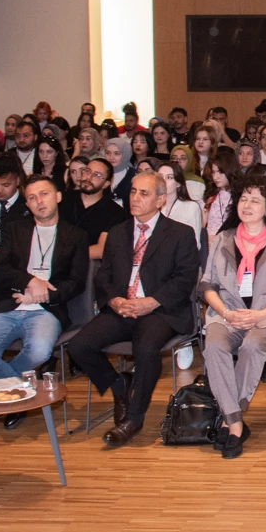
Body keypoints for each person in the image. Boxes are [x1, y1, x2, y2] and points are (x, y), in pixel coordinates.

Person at [67, 172, 200, 448]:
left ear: (161, 200)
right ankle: (118, 385)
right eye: (133, 192)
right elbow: (103, 276)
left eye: (144, 193)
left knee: (146, 348)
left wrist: (151, 301)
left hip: (159, 310)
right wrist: (114, 300)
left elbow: (185, 279)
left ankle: (134, 418)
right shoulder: (118, 232)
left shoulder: (180, 233)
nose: (135, 198)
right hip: (122, 308)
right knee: (79, 346)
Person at [0, 175, 90, 429]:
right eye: (32, 198)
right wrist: (28, 282)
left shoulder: (76, 236)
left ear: (57, 197)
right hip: (9, 305)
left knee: (38, 351)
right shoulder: (14, 230)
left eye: (44, 194)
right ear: (27, 204)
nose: (39, 202)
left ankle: (10, 394)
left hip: (47, 310)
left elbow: (76, 282)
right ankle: (25, 394)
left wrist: (44, 292)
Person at [200, 173, 266, 459]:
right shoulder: (223, 238)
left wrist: (260, 314)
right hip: (228, 314)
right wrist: (225, 312)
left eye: (255, 200)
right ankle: (235, 422)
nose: (247, 205)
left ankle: (229, 422)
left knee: (252, 345)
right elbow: (207, 285)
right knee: (214, 346)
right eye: (243, 199)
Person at [58, 158, 128, 260]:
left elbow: (100, 250)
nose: (89, 177)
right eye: (87, 171)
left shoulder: (115, 212)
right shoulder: (63, 199)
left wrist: (65, 256)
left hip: (88, 267)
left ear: (106, 184)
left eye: (97, 175)